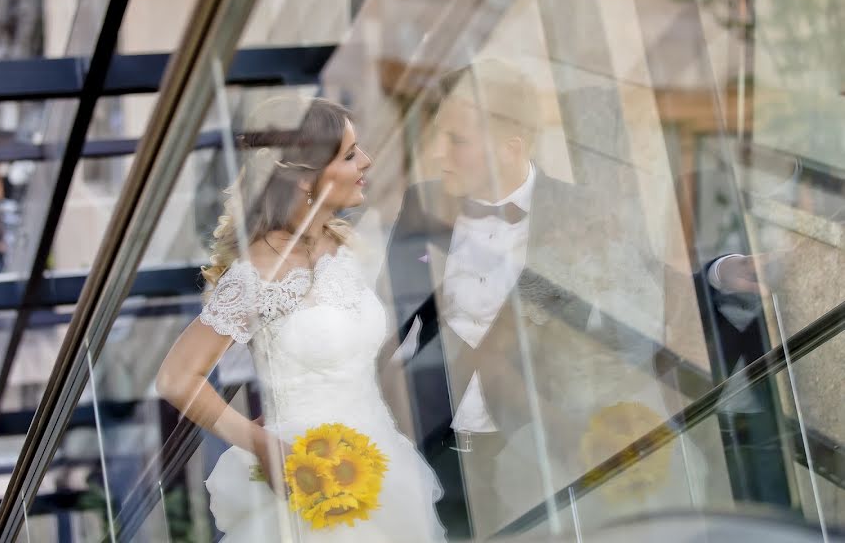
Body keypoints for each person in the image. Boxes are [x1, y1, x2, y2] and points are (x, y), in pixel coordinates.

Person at [381, 60, 707, 539]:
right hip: (441, 442)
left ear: (511, 147)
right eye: (438, 135)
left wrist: (722, 274)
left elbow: (650, 287)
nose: (437, 154)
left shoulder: (580, 210)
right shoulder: (421, 204)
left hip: (539, 440)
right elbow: (387, 323)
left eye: (457, 141)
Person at [156, 96, 446, 542]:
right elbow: (177, 378)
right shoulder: (256, 273)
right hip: (309, 481)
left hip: (383, 461)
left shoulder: (346, 245)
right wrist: (261, 446)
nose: (365, 161)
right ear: (305, 177)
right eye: (349, 154)